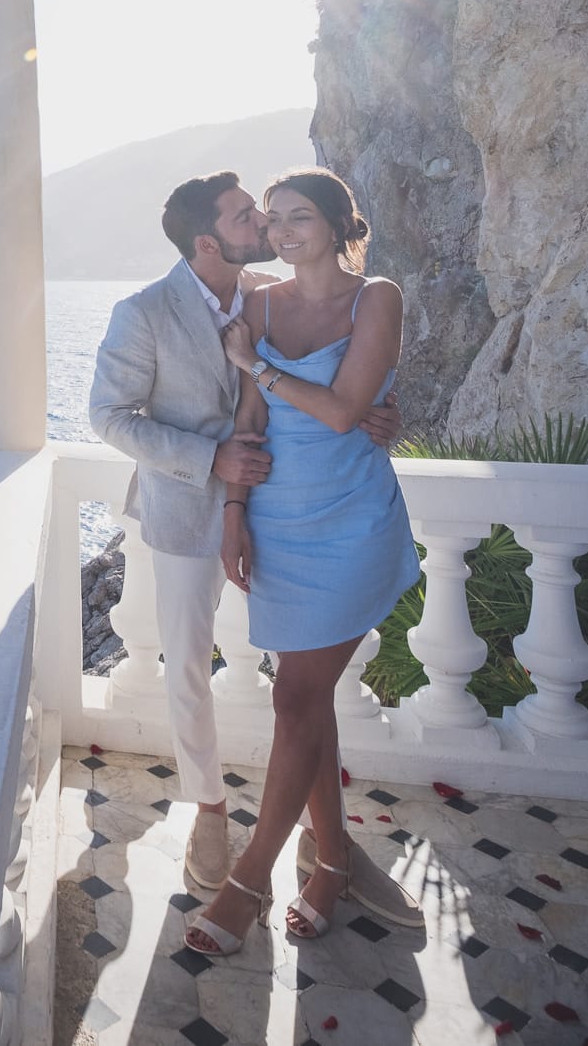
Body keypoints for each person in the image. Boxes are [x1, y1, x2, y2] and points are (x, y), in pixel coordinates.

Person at [87, 172, 398, 898]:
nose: (263, 220)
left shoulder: (268, 290)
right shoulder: (143, 312)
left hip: (289, 512)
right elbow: (109, 416)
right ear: (207, 241)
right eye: (243, 214)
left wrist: (379, 407)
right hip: (192, 511)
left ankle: (325, 835)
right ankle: (208, 808)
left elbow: (331, 371)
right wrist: (210, 459)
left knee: (302, 682)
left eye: (271, 212)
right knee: (190, 666)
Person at [183, 167, 426, 956]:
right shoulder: (258, 303)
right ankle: (333, 864)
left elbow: (347, 409)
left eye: (298, 217)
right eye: (273, 219)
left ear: (334, 221)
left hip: (352, 523)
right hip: (279, 525)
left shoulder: (374, 297)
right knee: (308, 701)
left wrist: (256, 365)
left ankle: (250, 880)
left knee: (295, 696)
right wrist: (233, 515)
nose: (282, 232)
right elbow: (252, 423)